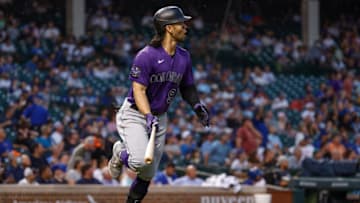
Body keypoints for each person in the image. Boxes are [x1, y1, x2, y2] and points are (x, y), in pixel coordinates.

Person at [108, 5, 209, 203]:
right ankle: (119, 153)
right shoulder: (146, 55)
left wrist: (197, 106)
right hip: (136, 113)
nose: (185, 27)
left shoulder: (184, 56)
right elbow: (139, 90)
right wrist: (147, 115)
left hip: (159, 117)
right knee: (138, 161)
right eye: (181, 23)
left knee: (148, 172)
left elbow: (188, 87)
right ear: (169, 28)